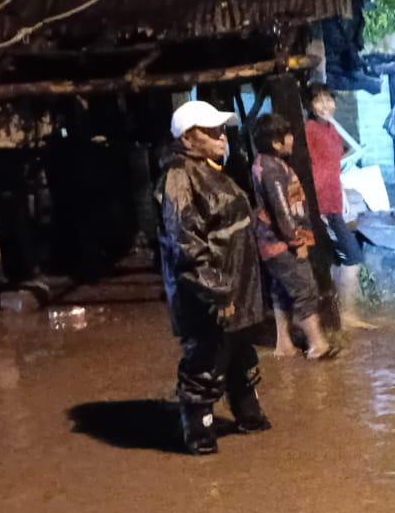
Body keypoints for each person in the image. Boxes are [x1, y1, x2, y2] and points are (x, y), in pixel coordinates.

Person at [155, 100, 269, 456]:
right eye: (211, 131)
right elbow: (186, 243)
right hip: (210, 292)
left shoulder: (210, 168)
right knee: (205, 358)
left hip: (235, 286)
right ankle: (199, 431)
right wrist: (217, 291)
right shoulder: (179, 177)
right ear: (188, 138)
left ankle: (248, 415)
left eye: (221, 129)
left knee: (238, 354)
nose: (222, 136)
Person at [250, 114, 337, 361]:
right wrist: (297, 241)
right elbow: (282, 210)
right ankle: (317, 344)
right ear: (276, 142)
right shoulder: (272, 170)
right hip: (281, 243)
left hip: (271, 243)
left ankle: (284, 344)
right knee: (304, 288)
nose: (292, 139)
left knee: (281, 290)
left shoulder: (264, 163)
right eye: (288, 135)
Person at [303, 83, 376, 330]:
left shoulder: (331, 129)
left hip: (335, 203)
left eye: (329, 99)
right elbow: (308, 170)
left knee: (337, 261)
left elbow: (334, 165)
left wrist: (343, 196)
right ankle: (347, 316)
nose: (326, 105)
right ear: (309, 106)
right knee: (353, 258)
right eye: (318, 100)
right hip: (322, 207)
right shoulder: (309, 130)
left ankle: (336, 316)